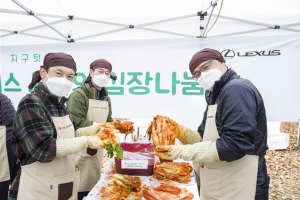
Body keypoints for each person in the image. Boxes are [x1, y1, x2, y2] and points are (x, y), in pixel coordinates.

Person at [155, 48, 269, 200]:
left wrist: (181, 152)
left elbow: (235, 145)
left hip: (242, 179)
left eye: (206, 67)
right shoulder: (214, 93)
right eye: (197, 74)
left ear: (222, 62)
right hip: (223, 178)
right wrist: (181, 131)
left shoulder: (236, 89)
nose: (202, 75)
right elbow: (203, 138)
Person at [8, 52, 104, 200]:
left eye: (70, 76)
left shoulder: (61, 105)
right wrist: (87, 141)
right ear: (43, 73)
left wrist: (92, 130)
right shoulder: (31, 103)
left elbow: (69, 135)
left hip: (63, 184)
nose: (64, 80)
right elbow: (44, 149)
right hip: (38, 189)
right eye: (58, 73)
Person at [66, 59, 117, 200]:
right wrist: (102, 128)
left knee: (93, 184)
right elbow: (76, 123)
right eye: (100, 71)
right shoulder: (79, 95)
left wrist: (114, 128)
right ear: (91, 72)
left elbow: (109, 120)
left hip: (97, 147)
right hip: (80, 147)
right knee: (79, 186)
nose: (104, 75)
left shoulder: (105, 97)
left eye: (107, 73)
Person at [0, 94, 20, 200]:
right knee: (16, 178)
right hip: (13, 136)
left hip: (5, 138)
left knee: (3, 180)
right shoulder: (3, 97)